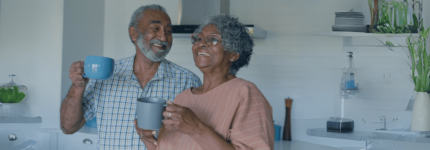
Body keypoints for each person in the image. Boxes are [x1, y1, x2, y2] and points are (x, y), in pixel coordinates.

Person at [60, 4, 202, 150]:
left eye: (168, 31)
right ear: (134, 33)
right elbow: (68, 127)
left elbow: (198, 138)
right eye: (155, 29)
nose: (163, 37)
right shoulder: (106, 75)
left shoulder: (188, 81)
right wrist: (78, 86)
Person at [136, 14, 274, 150]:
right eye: (198, 38)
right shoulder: (183, 98)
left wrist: (196, 128)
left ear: (233, 54)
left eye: (213, 39)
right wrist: (149, 141)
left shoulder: (245, 92)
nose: (201, 43)